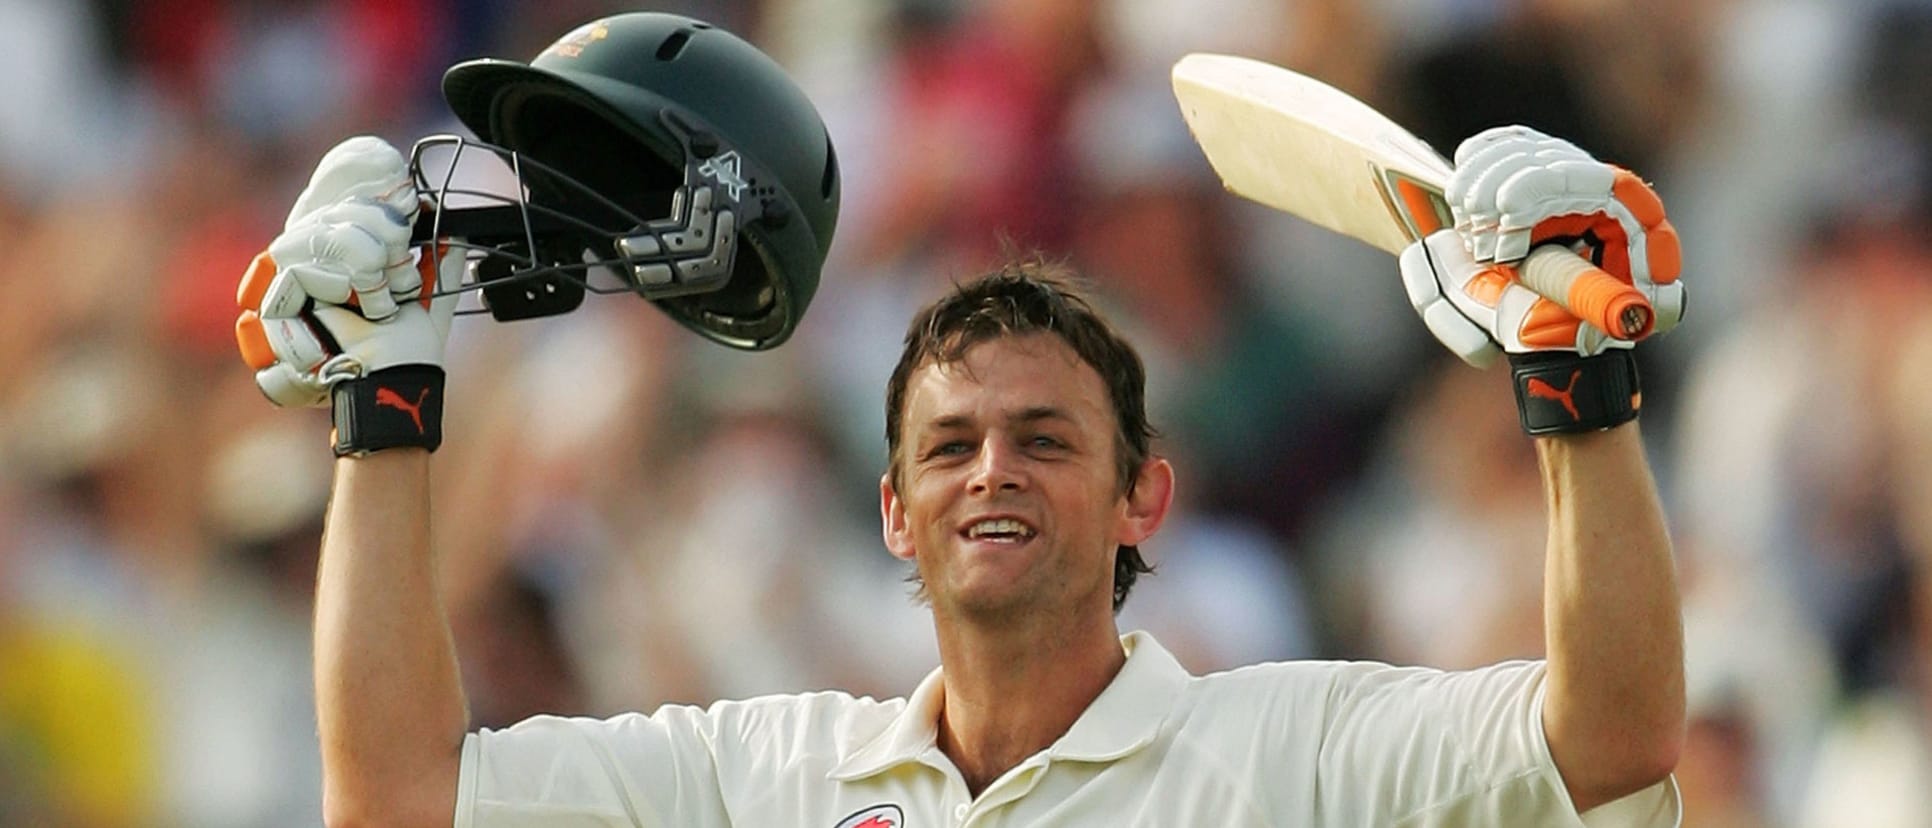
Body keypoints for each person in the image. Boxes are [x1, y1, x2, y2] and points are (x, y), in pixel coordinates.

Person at [232, 13, 1688, 828]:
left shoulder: (1293, 748)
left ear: (1144, 503)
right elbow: (397, 794)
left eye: (1048, 440)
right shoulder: (774, 776)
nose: (993, 467)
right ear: (891, 514)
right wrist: (383, 414)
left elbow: (1613, 738)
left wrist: (1579, 400)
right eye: (950, 445)